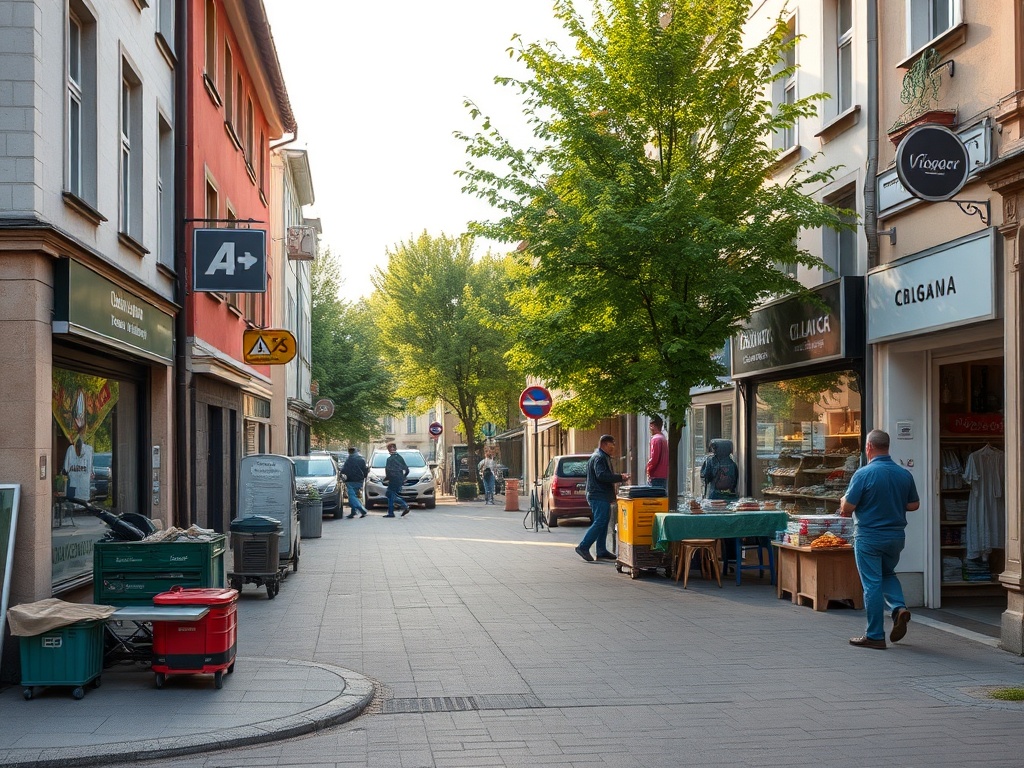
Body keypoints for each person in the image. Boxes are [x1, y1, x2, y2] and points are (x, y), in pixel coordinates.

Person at [840, 429, 920, 650]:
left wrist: (843, 500)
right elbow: (914, 504)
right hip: (895, 537)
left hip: (869, 536)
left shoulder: (864, 474)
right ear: (888, 446)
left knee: (872, 584)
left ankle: (875, 635)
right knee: (887, 573)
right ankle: (898, 608)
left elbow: (848, 507)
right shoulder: (904, 474)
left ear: (869, 447)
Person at [575, 435, 629, 562]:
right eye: (612, 444)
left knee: (603, 522)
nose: (614, 447)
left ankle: (601, 550)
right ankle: (583, 546)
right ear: (604, 444)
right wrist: (620, 477)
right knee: (600, 521)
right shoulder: (599, 457)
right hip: (598, 495)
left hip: (600, 494)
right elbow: (602, 475)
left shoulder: (601, 456)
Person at [340, 447, 370, 518]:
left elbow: (344, 470)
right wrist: (364, 477)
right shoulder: (361, 459)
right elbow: (365, 470)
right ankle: (353, 512)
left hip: (350, 480)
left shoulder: (349, 460)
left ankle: (362, 510)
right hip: (359, 480)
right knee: (354, 496)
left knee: (352, 497)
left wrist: (342, 474)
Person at [383, 442, 411, 517]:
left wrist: (386, 479)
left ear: (389, 450)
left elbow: (388, 471)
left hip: (393, 480)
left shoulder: (389, 459)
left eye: (390, 448)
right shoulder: (400, 458)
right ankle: (402, 507)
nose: (391, 449)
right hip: (399, 480)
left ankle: (394, 511)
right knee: (390, 495)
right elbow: (407, 470)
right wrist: (403, 477)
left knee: (390, 495)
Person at [646, 415, 668, 488]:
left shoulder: (656, 439)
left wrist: (648, 468)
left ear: (653, 426)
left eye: (650, 426)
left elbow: (654, 458)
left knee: (654, 497)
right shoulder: (663, 438)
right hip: (663, 474)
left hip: (656, 475)